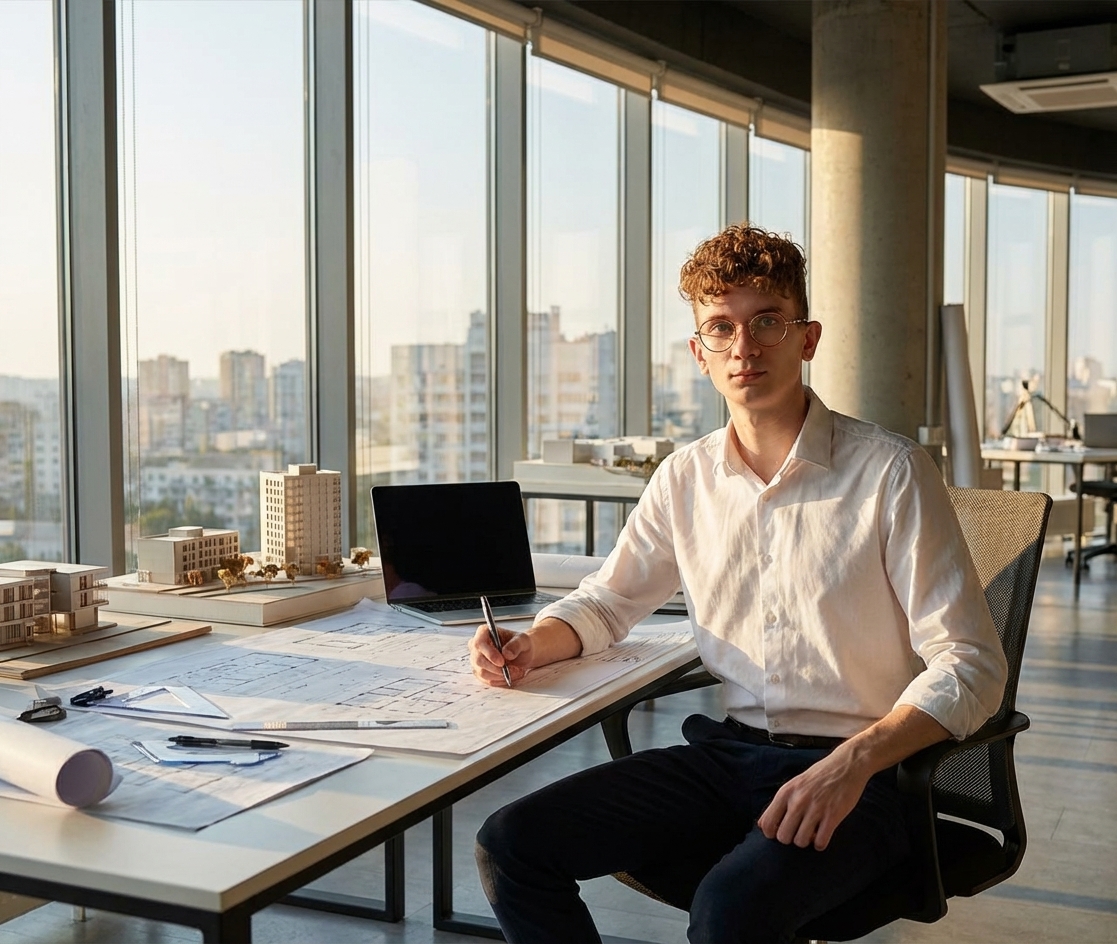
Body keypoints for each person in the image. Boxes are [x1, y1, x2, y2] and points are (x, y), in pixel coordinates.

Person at [468, 224, 1007, 944]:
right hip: (726, 756)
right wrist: (534, 644)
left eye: (766, 323)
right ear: (699, 353)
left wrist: (853, 763)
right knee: (510, 843)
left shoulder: (890, 473)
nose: (743, 348)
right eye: (719, 330)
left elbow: (969, 663)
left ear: (805, 338)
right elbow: (607, 601)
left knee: (729, 911)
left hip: (865, 774)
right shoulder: (684, 478)